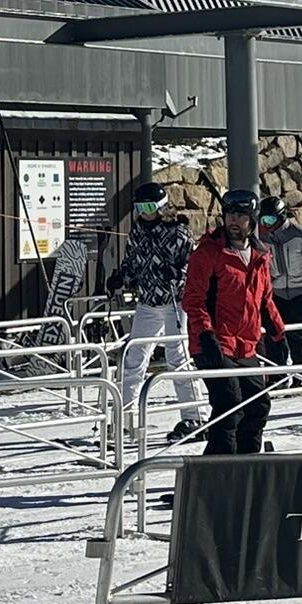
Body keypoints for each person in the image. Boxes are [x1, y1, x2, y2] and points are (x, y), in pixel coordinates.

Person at [183, 186, 285, 455]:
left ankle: (247, 467)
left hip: (245, 345)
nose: (233, 221)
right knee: (229, 402)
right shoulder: (208, 254)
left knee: (258, 404)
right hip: (212, 342)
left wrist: (278, 333)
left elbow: (264, 299)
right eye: (229, 214)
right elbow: (193, 300)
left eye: (240, 216)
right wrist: (206, 334)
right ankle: (216, 475)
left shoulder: (259, 256)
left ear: (252, 220)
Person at [109, 182, 206, 445]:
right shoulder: (137, 231)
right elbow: (132, 262)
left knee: (178, 357)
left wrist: (177, 274)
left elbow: (193, 265)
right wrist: (121, 277)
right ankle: (125, 420)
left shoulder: (178, 232)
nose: (144, 212)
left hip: (175, 301)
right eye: (140, 208)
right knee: (134, 356)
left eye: (149, 207)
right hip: (148, 303)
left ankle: (194, 416)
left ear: (162, 207)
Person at [260, 195, 302, 379]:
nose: (267, 225)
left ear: (282, 216)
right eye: (263, 220)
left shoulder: (300, 234)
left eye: (271, 219)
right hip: (277, 293)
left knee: (295, 332)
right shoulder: (263, 239)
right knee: (274, 334)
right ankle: (278, 378)